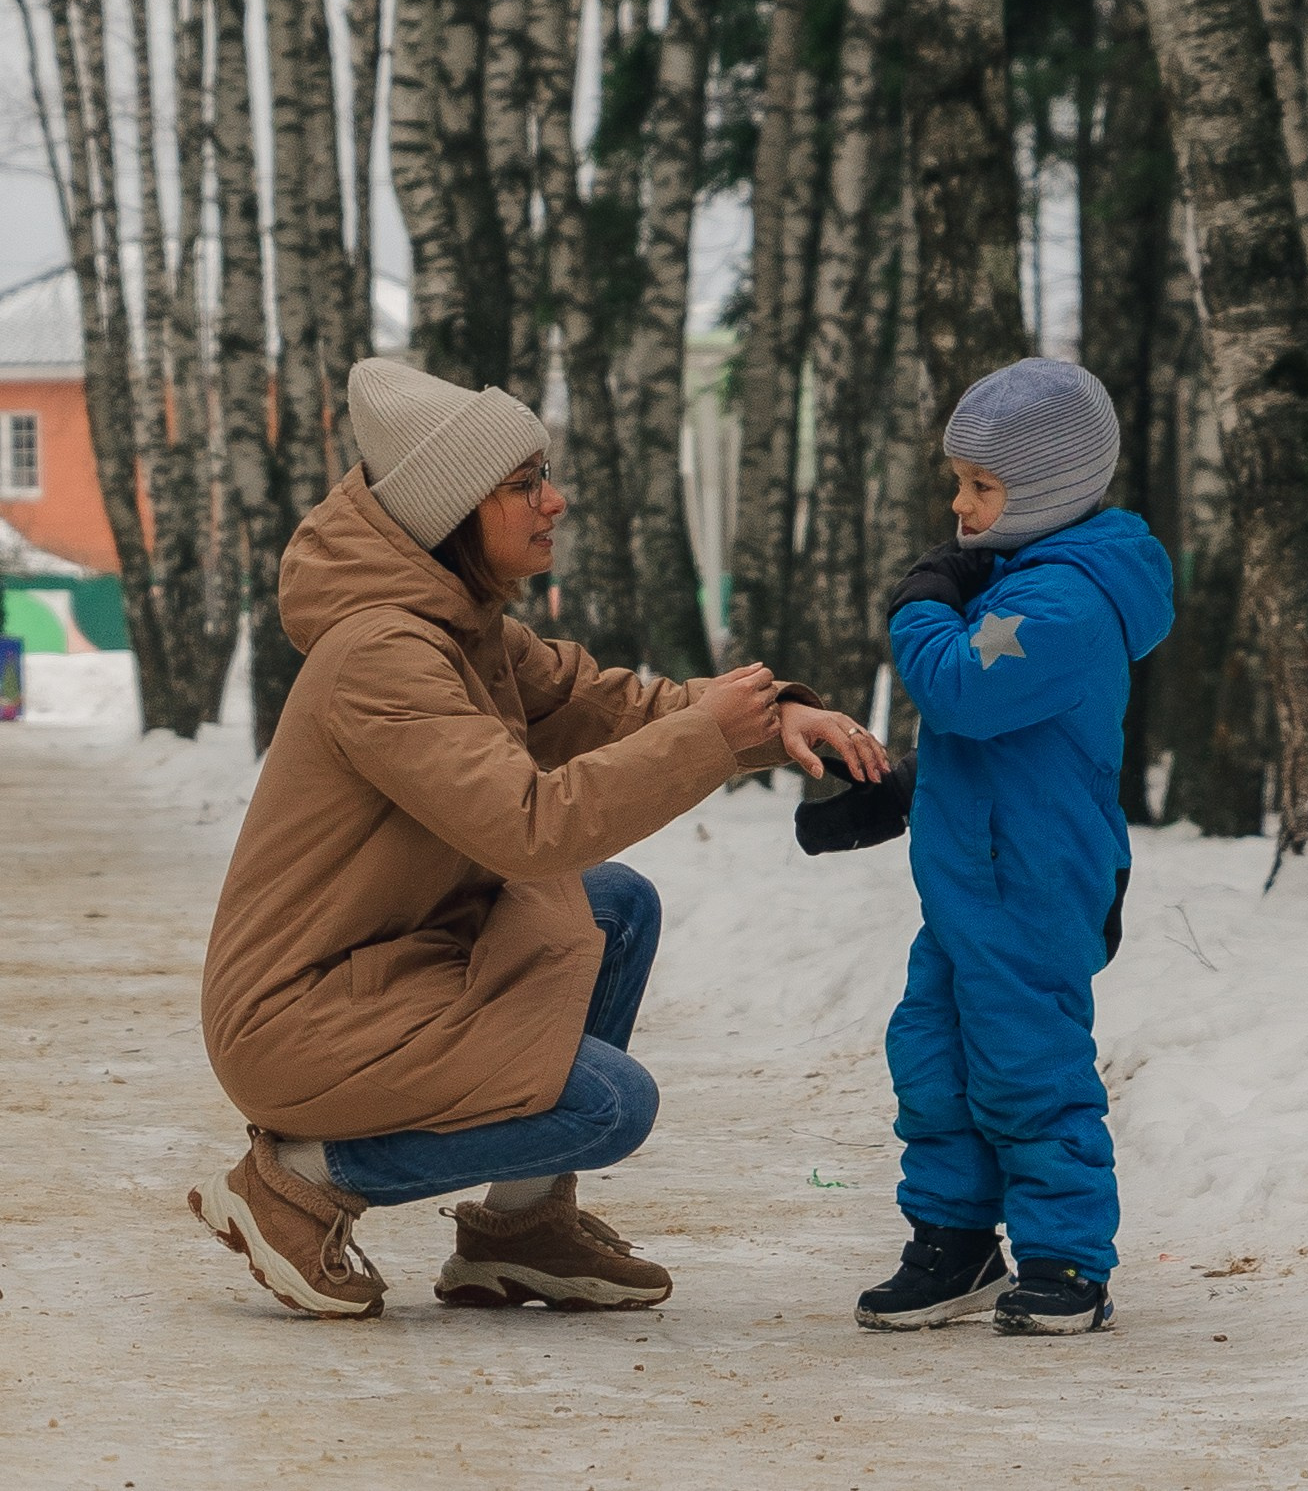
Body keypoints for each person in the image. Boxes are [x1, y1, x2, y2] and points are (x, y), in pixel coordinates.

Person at [190, 355, 887, 1322]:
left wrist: (771, 725)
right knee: (606, 1106)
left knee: (615, 907)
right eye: (522, 486)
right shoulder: (383, 656)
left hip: (387, 966)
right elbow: (529, 827)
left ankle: (521, 1232)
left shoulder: (458, 625)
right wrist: (706, 738)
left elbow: (597, 704)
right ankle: (298, 1184)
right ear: (451, 514)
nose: (553, 501)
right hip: (302, 1016)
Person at [805, 357, 1173, 1338]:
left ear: (1049, 490)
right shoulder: (1021, 580)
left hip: (1034, 883)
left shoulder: (1063, 600)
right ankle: (954, 1239)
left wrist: (919, 599)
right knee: (932, 1058)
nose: (958, 507)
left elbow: (964, 686)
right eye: (957, 483)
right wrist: (909, 785)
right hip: (976, 878)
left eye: (981, 486)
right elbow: (999, 732)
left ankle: (1065, 1256)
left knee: (1025, 1065)